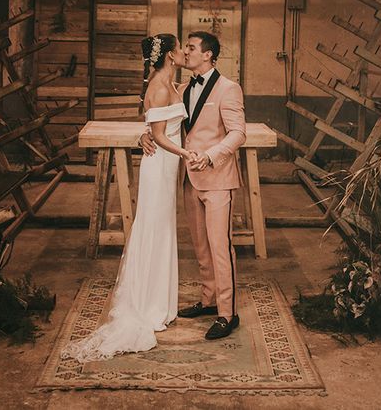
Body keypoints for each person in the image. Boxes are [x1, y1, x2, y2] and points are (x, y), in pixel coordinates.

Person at [62, 34, 194, 361]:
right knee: (154, 227)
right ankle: (149, 304)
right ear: (168, 55)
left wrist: (146, 135)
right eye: (179, 48)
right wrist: (186, 153)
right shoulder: (160, 88)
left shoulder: (170, 84)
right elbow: (161, 135)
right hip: (161, 165)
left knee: (163, 229)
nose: (182, 52)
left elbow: (151, 126)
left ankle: (160, 302)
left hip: (165, 164)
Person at [141, 30, 246, 340]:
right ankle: (208, 300)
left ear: (208, 55)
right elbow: (160, 122)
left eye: (191, 48)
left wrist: (211, 156)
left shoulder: (229, 89)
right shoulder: (182, 88)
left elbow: (238, 133)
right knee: (200, 246)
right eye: (184, 47)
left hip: (218, 179)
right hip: (189, 179)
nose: (185, 52)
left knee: (220, 247)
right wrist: (144, 134)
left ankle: (227, 313)